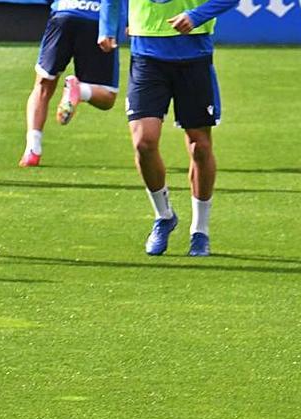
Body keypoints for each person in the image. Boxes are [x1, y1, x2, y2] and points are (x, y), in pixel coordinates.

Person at [100, 0, 238, 256]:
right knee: (144, 141)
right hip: (146, 55)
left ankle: (200, 230)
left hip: (194, 53)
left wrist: (197, 16)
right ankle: (163, 216)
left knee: (200, 145)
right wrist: (106, 27)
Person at [19, 0, 120, 167]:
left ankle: (32, 150)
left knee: (43, 86)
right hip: (96, 18)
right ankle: (80, 91)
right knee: (107, 96)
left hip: (63, 14)